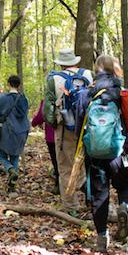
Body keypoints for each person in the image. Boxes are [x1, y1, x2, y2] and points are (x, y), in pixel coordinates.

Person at [82, 54, 128, 252]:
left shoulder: (87, 94)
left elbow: (77, 126)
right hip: (121, 153)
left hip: (94, 155)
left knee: (99, 195)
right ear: (115, 69)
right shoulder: (124, 94)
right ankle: (124, 206)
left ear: (97, 69)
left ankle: (102, 237)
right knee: (126, 187)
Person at [43, 48, 93, 213]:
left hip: (66, 127)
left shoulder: (53, 79)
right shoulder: (88, 75)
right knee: (88, 164)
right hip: (89, 127)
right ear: (75, 61)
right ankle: (93, 198)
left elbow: (47, 109)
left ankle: (71, 206)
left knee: (65, 166)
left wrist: (54, 124)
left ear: (60, 64)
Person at [0, 75, 30, 193]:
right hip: (22, 131)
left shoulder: (4, 98)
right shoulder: (24, 99)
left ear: (9, 84)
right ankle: (12, 187)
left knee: (2, 155)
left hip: (9, 131)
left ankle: (10, 169)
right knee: (15, 156)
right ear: (19, 85)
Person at [31, 100, 59, 194]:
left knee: (56, 161)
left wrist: (33, 123)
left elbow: (40, 116)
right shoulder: (68, 97)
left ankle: (59, 185)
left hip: (52, 137)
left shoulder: (47, 101)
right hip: (67, 136)